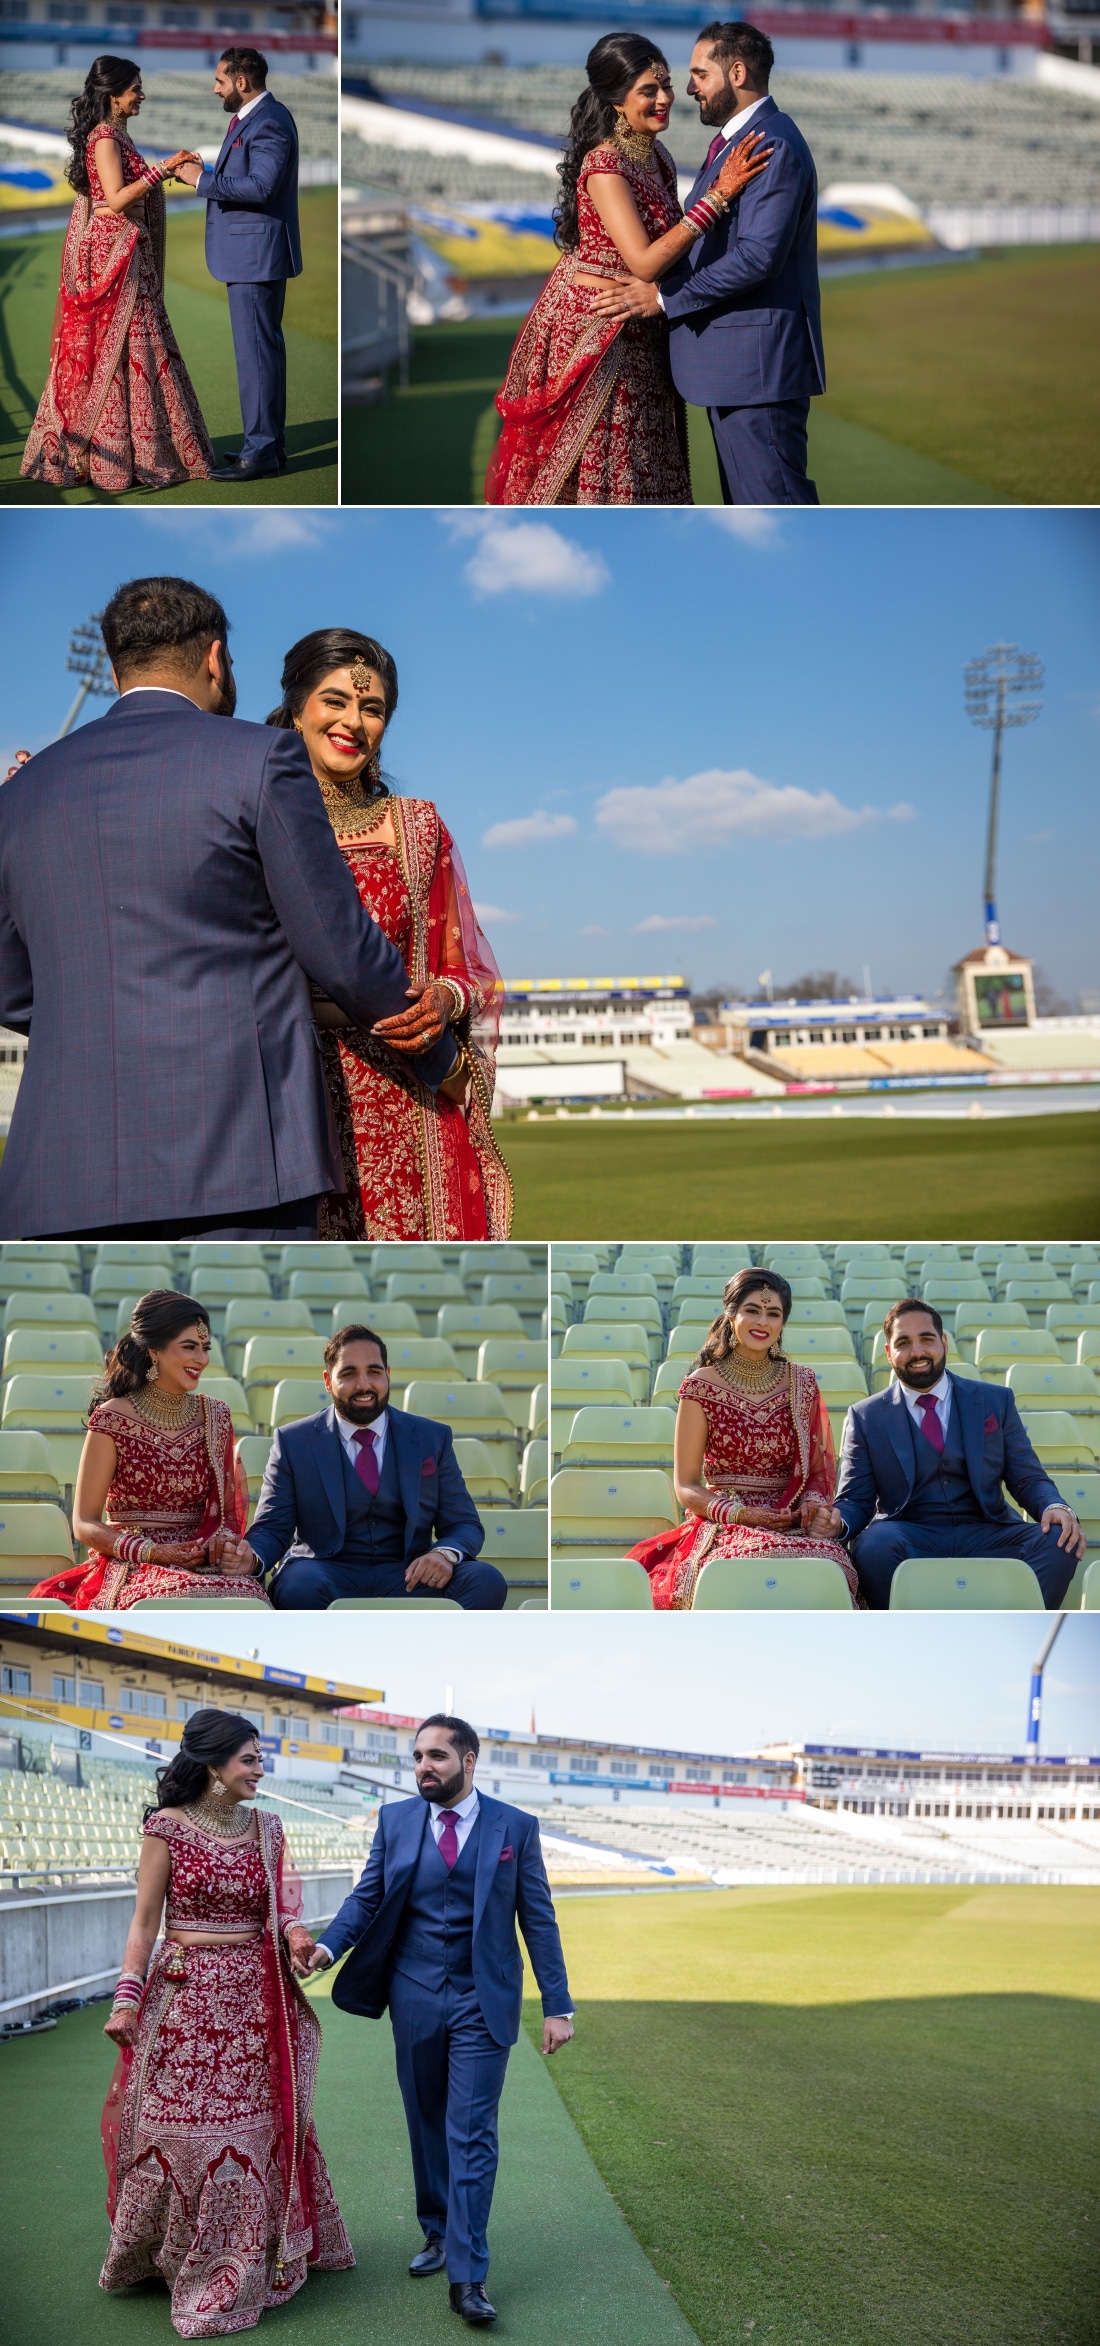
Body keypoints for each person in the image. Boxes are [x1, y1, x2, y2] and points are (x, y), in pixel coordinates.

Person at [0, 576, 458, 1239]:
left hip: (58, 1178)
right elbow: (340, 951)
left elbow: (12, 990)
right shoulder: (262, 758)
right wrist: (443, 1060)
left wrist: (103, 1027)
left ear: (115, 662)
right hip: (238, 1163)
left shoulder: (21, 793)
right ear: (215, 659)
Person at [304, 1714, 573, 2326]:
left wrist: (557, 2005)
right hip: (415, 1994)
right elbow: (367, 1896)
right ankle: (436, 2229)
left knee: (471, 2131)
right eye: (418, 1757)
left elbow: (539, 1918)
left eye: (437, 1757)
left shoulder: (515, 1828)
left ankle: (468, 2274)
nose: (424, 1767)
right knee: (426, 2121)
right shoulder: (396, 1821)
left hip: (485, 2001)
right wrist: (326, 1947)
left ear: (469, 1760)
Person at [100, 1711, 353, 2336]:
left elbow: (281, 1909)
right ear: (214, 1766)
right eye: (249, 1759)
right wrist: (126, 1997)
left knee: (249, 2132)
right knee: (179, 2129)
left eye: (261, 1758)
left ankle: (240, 2262)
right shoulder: (167, 1828)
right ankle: (163, 2255)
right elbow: (144, 1921)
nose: (260, 1769)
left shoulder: (268, 1827)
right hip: (183, 1999)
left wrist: (296, 1937)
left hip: (252, 2003)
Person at [266, 628, 513, 1239]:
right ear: (297, 709)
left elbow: (467, 969)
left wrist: (445, 1000)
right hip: (287, 1092)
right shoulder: (250, 820)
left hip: (409, 1095)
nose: (354, 720)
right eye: (335, 700)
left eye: (372, 708)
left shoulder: (417, 828)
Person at [486, 30, 771, 505]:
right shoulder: (604, 164)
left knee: (645, 467)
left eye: (666, 85)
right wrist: (719, 196)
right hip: (600, 330)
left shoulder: (656, 154)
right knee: (605, 468)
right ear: (616, 100)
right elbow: (643, 259)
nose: (665, 99)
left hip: (643, 326)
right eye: (648, 90)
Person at [593, 21, 824, 506]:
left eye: (699, 74)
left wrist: (661, 298)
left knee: (774, 511)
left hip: (756, 372)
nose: (688, 88)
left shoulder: (770, 144)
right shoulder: (733, 143)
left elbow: (758, 257)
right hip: (738, 369)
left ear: (736, 72)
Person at [20, 56, 214, 493]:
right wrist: (160, 170)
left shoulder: (118, 135)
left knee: (136, 349)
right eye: (135, 88)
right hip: (115, 254)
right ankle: (117, 458)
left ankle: (132, 455)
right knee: (120, 349)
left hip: (129, 252)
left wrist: (165, 169)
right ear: (114, 94)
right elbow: (116, 198)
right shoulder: (105, 137)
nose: (141, 95)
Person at [824, 1299, 1086, 1609]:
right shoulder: (865, 1416)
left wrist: (1053, 1505)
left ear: (944, 1342)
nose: (917, 1351)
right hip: (910, 1533)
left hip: (988, 1530)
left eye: (927, 1339)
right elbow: (856, 1499)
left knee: (1059, 1541)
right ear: (888, 1352)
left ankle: (1009, 1634)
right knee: (872, 1545)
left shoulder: (994, 1401)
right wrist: (838, 1525)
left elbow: (1026, 1476)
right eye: (904, 1342)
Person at [626, 1268, 858, 1608]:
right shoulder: (700, 1387)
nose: (762, 1321)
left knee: (832, 1566)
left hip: (790, 1518)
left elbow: (818, 1473)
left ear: (782, 1324)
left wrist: (810, 1506)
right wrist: (741, 1514)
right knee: (746, 1563)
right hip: (726, 1521)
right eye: (752, 1310)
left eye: (773, 1314)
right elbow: (686, 1486)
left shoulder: (802, 1383)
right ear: (731, 1314)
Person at [242, 1325, 507, 1610]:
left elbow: (463, 1523)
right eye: (349, 1373)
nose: (364, 1384)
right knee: (298, 1587)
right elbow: (273, 1527)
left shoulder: (432, 1437)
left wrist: (443, 1555)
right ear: (328, 1382)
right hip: (324, 1572)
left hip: (408, 1575)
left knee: (485, 1581)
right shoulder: (293, 1441)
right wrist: (252, 1557)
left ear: (388, 1375)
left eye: (374, 1372)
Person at [28, 1291, 264, 1610]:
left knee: (250, 1598)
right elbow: (84, 1523)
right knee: (173, 1598)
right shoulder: (113, 1418)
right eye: (189, 1347)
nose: (202, 1359)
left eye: (205, 1348)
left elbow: (223, 1518)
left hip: (200, 1562)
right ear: (155, 1351)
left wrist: (222, 1543)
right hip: (134, 1560)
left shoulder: (216, 1417)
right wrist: (152, 1551)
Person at [173, 49, 301, 483]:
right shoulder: (255, 119)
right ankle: (271, 446)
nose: (215, 88)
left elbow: (260, 186)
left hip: (255, 256)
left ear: (242, 81)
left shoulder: (269, 120)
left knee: (257, 358)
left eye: (220, 81)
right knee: (264, 353)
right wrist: (204, 172)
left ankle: (260, 451)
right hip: (254, 253)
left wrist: (201, 180)